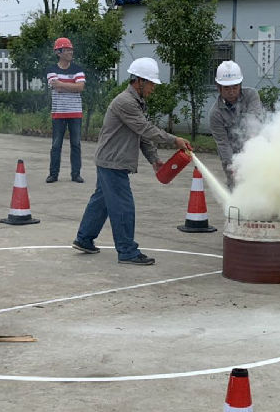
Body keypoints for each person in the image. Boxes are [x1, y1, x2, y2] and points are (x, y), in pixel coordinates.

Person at [72, 57, 191, 266]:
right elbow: (146, 129)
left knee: (101, 202)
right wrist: (174, 140)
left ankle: (84, 239)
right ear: (139, 81)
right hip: (113, 162)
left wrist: (154, 159)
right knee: (123, 206)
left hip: (110, 160)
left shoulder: (136, 102)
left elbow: (141, 134)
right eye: (151, 83)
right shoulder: (126, 102)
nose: (153, 88)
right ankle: (127, 251)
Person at [208, 60, 264, 189]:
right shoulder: (215, 114)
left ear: (240, 84)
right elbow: (223, 144)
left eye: (235, 87)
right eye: (227, 88)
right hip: (233, 156)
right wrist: (232, 165)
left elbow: (254, 123)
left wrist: (250, 155)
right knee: (236, 188)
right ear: (218, 87)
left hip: (257, 149)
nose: (231, 91)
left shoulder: (251, 95)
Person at [46, 37, 86, 183]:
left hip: (75, 113)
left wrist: (62, 84)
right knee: (56, 144)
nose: (70, 52)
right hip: (59, 113)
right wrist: (71, 85)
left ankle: (76, 174)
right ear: (58, 52)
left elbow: (80, 87)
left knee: (76, 144)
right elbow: (55, 86)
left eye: (71, 49)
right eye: (67, 50)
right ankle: (53, 174)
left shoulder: (78, 69)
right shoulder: (51, 70)